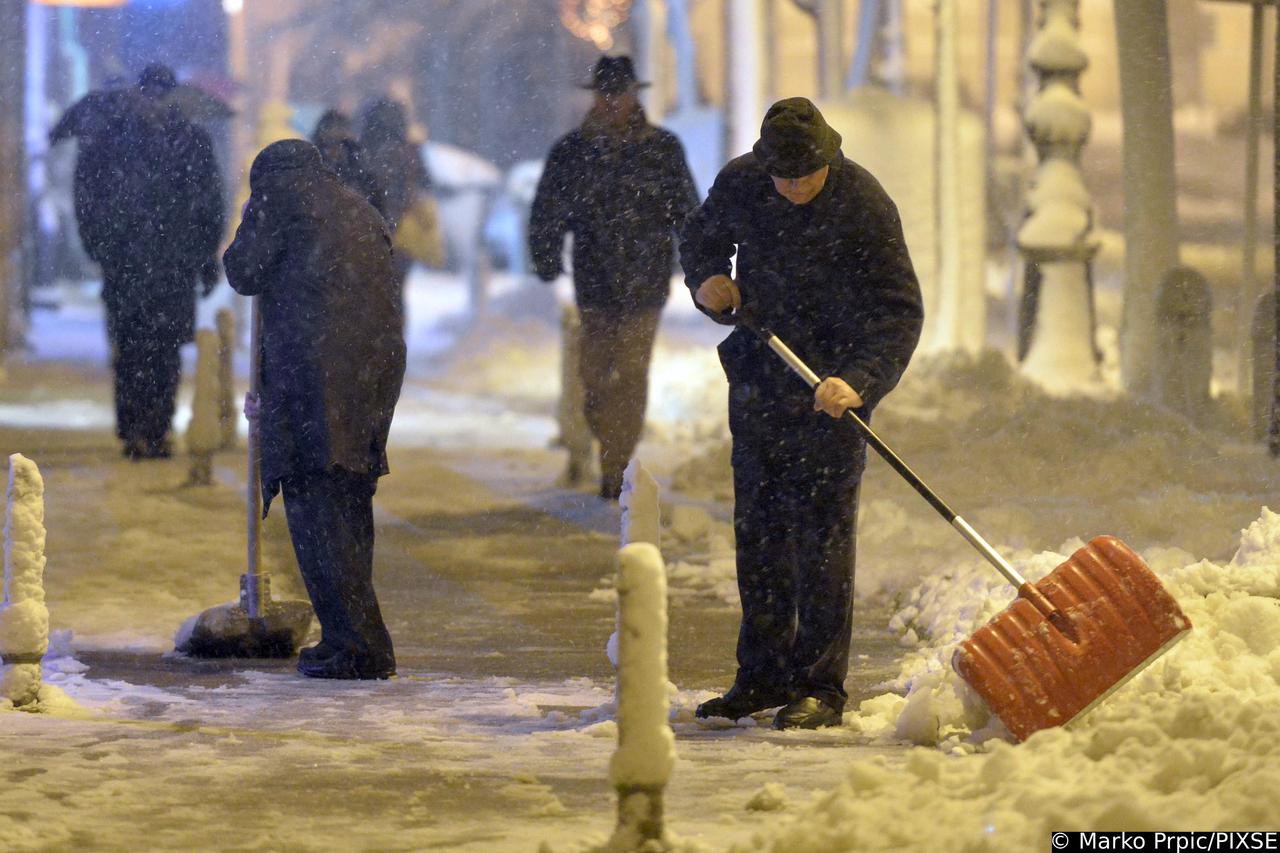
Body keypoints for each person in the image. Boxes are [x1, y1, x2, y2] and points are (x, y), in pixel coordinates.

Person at [679, 97, 923, 729]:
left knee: (822, 539)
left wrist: (859, 381)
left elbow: (898, 309)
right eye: (780, 177)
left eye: (803, 177)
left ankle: (820, 686)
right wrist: (707, 282)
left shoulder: (863, 202)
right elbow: (700, 239)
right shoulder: (743, 181)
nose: (790, 188)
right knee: (759, 533)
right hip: (760, 377)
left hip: (830, 391)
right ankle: (761, 677)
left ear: (828, 159)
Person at [223, 140, 405, 680]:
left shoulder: (277, 199)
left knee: (315, 504)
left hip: (313, 372)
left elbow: (242, 270)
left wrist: (252, 215)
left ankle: (359, 647)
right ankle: (349, 636)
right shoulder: (356, 204)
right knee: (348, 499)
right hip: (371, 367)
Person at [528, 55, 699, 499]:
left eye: (619, 93)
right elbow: (547, 209)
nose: (612, 102)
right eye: (605, 93)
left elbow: (687, 210)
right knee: (594, 375)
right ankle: (608, 444)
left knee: (631, 372)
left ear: (633, 94)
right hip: (595, 282)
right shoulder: (573, 152)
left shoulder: (662, 149)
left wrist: (700, 262)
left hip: (646, 281)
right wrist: (545, 255)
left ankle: (616, 462)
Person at [54, 64, 224, 459]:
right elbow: (89, 196)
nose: (155, 103)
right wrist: (101, 245)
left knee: (163, 352)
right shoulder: (113, 139)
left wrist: (205, 258)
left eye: (162, 95)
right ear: (138, 95)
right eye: (150, 94)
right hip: (129, 264)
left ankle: (157, 427)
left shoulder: (191, 141)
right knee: (131, 351)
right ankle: (136, 430)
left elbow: (209, 204)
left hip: (170, 267)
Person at [358, 98, 433, 294]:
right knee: (395, 288)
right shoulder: (409, 152)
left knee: (369, 289)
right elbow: (426, 183)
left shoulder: (363, 151)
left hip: (368, 229)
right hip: (401, 231)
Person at [311, 109, 385, 216]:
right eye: (329, 144)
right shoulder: (313, 172)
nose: (334, 151)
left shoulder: (363, 176)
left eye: (340, 144)